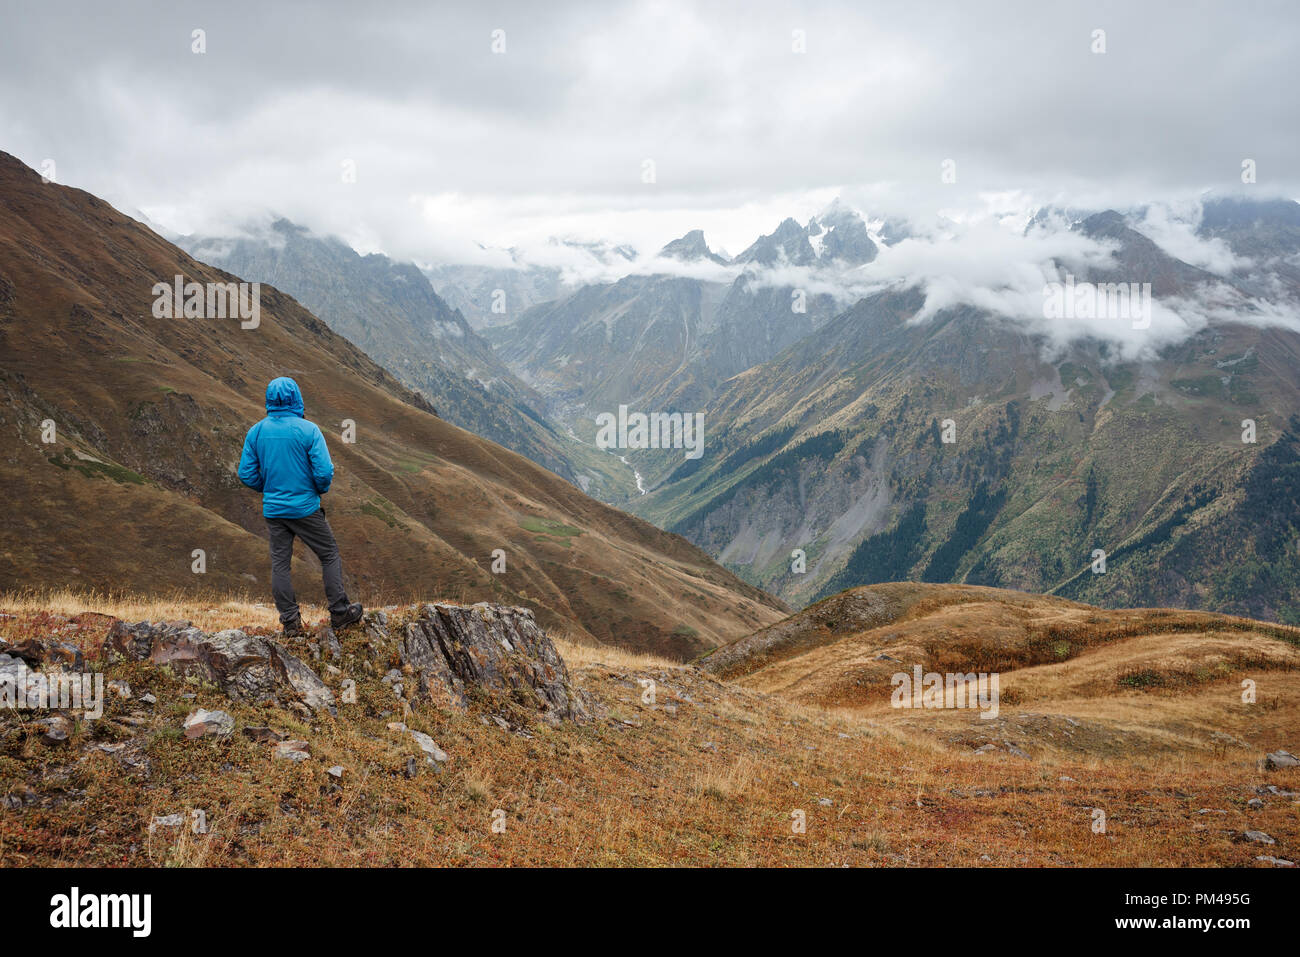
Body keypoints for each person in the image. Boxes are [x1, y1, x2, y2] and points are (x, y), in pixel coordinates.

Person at [238, 376, 363, 636]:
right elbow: (324, 471)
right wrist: (317, 490)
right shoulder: (308, 430)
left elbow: (246, 474)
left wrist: (269, 488)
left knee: (280, 564)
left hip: (274, 511)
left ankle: (291, 623)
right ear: (296, 398)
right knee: (328, 554)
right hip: (306, 508)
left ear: (269, 400)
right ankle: (340, 613)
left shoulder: (257, 431)